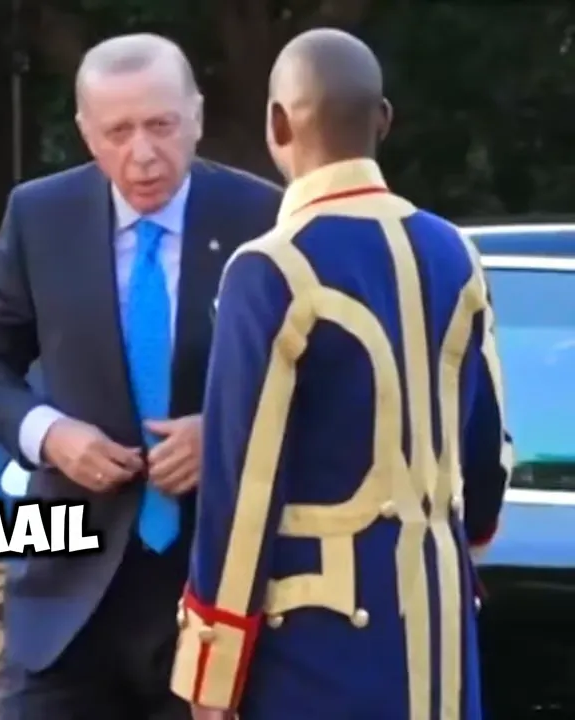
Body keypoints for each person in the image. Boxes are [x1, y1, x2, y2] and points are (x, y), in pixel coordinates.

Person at [171, 28, 512, 720]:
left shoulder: (271, 267)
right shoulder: (457, 254)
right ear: (381, 120)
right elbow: (487, 456)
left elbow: (243, 488)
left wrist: (214, 668)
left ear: (276, 123)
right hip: (442, 637)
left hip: (318, 647)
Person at [0, 33, 282, 719]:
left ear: (195, 114)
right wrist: (50, 434)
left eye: (161, 125)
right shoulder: (39, 217)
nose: (142, 154)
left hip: (215, 590)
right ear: (84, 133)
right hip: (67, 599)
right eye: (118, 132)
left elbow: (318, 380)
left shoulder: (265, 218)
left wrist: (223, 434)